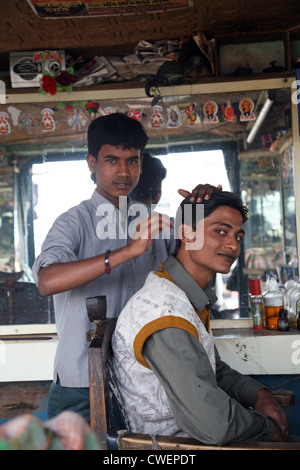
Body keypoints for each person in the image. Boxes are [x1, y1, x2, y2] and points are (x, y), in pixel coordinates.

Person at [32, 112, 220, 423]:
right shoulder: (73, 222)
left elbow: (200, 271)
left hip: (142, 382)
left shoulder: (157, 226)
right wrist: (126, 252)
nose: (123, 171)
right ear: (91, 163)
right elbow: (47, 281)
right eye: (111, 160)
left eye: (132, 161)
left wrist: (205, 208)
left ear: (141, 163)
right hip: (80, 382)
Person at [112, 190, 289, 446]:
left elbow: (211, 368)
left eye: (238, 236)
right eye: (220, 231)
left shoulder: (183, 296)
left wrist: (258, 394)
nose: (233, 245)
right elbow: (214, 425)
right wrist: (266, 428)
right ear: (186, 233)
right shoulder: (165, 312)